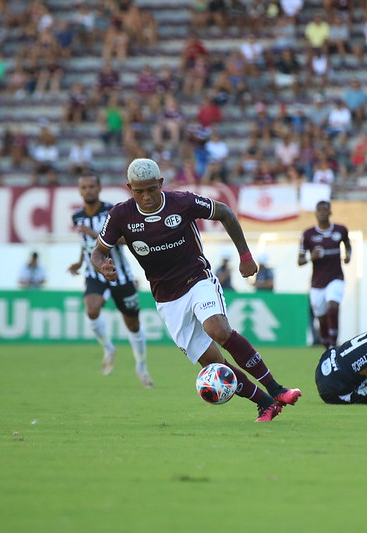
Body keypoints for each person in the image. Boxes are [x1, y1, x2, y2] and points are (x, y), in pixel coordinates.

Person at [92, 159, 301, 422]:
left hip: (197, 280)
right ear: (129, 188)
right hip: (167, 298)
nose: (145, 197)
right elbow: (98, 251)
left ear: (160, 184)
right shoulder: (120, 215)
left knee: (218, 330)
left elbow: (225, 211)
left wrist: (245, 255)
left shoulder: (182, 202)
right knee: (213, 365)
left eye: (151, 190)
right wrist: (103, 267)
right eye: (138, 191)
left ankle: (276, 389)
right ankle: (266, 403)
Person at [68, 174, 153, 388]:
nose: (88, 190)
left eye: (91, 186)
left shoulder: (112, 212)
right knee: (91, 309)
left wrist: (96, 233)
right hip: (94, 272)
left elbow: (124, 238)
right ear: (80, 191)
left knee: (132, 324)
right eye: (84, 187)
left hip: (120, 274)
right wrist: (80, 262)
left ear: (99, 188)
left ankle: (141, 366)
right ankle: (108, 347)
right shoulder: (77, 216)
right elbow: (85, 244)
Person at [298, 200, 351, 349]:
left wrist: (348, 255)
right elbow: (300, 260)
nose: (322, 212)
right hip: (317, 284)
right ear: (315, 213)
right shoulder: (308, 234)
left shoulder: (340, 230)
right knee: (321, 319)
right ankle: (327, 346)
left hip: (336, 279)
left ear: (330, 212)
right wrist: (310, 257)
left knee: (333, 307)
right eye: (319, 210)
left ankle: (333, 346)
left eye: (324, 209)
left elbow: (348, 245)